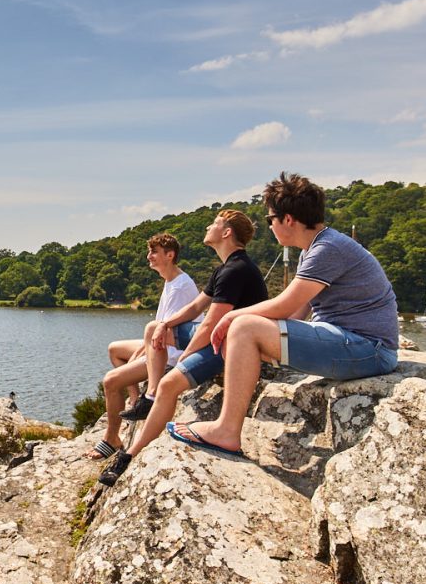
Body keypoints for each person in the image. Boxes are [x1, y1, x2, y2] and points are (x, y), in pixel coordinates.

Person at [170, 173, 399, 456]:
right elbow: (299, 314)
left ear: (287, 219)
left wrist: (231, 320)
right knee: (246, 329)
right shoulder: (314, 249)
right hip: (353, 344)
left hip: (369, 349)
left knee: (243, 327)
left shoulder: (327, 249)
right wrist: (260, 343)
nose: (269, 227)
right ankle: (227, 424)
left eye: (270, 220)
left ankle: (226, 431)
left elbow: (286, 306)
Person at [99, 209, 267, 485]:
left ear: (226, 233)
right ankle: (149, 397)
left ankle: (129, 454)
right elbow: (195, 308)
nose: (208, 227)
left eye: (215, 223)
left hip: (229, 349)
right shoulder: (224, 268)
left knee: (170, 385)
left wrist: (185, 358)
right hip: (219, 338)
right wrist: (166, 325)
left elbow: (210, 323)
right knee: (154, 328)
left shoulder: (237, 269)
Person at [86, 233, 199, 459]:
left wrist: (141, 355)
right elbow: (156, 329)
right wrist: (140, 353)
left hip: (170, 354)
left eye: (154, 252)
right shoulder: (171, 281)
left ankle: (111, 439)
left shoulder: (180, 287)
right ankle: (135, 399)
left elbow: (163, 332)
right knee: (114, 350)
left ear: (170, 255)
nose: (149, 257)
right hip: (160, 343)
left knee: (110, 381)